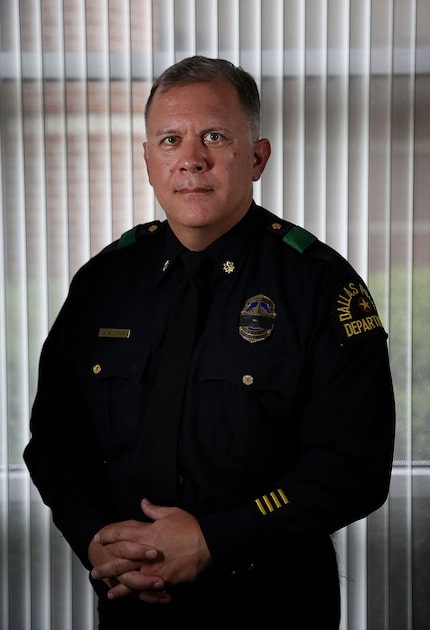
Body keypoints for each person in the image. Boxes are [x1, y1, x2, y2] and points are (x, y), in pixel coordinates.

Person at [23, 55, 395, 628]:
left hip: (274, 606)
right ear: (148, 162)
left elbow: (354, 468)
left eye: (214, 137)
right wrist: (95, 539)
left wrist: (216, 538)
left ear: (257, 157)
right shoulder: (103, 283)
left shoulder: (321, 286)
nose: (191, 159)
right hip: (129, 607)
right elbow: (54, 443)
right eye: (170, 140)